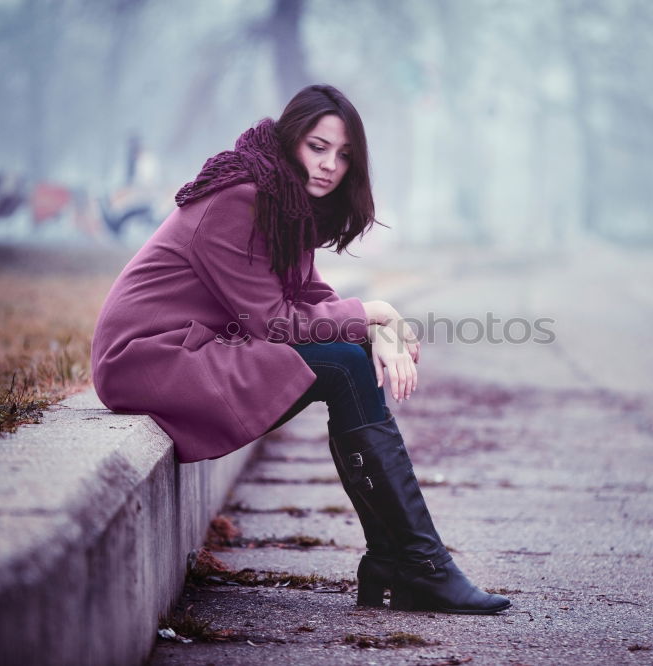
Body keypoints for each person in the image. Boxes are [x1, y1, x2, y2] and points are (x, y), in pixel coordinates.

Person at [90, 84, 511, 615]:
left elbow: (309, 296)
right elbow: (275, 321)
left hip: (196, 350)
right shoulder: (239, 198)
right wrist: (374, 313)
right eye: (318, 147)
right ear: (290, 140)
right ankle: (415, 563)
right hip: (148, 359)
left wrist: (373, 328)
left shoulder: (281, 200)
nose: (331, 165)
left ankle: (403, 560)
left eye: (344, 155)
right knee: (341, 365)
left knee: (349, 359)